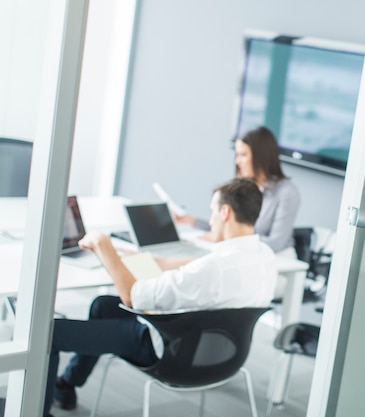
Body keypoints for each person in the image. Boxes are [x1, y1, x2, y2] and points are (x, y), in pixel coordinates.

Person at [44, 178, 277, 417]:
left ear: (225, 212)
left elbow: (132, 297)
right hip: (226, 358)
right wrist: (148, 259)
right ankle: (67, 386)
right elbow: (203, 268)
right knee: (103, 306)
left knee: (49, 335)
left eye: (212, 211)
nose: (211, 220)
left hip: (168, 353)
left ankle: (36, 409)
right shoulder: (265, 257)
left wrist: (103, 246)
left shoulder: (211, 270)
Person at [177, 126, 301, 255]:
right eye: (237, 155)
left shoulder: (287, 193)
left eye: (243, 155)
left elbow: (275, 243)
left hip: (277, 258)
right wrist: (192, 221)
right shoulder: (244, 188)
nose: (237, 161)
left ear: (261, 156)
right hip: (246, 252)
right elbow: (230, 225)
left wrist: (227, 238)